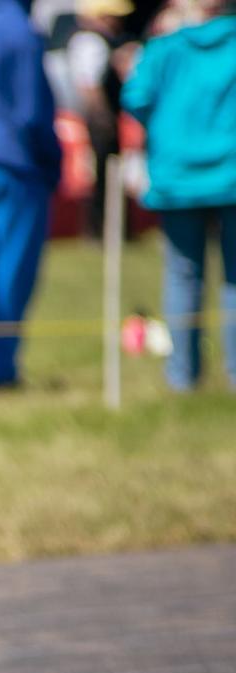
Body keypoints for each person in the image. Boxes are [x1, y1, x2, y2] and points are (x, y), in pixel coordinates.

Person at [121, 0, 236, 390]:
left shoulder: (164, 48)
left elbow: (135, 97)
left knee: (183, 277)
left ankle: (182, 376)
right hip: (229, 175)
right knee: (233, 279)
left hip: (178, 177)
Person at [0, 0, 64, 387]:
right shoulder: (21, 31)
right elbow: (31, 111)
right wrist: (53, 161)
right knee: (15, 270)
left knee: (1, 268)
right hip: (20, 165)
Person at [67, 0, 133, 239]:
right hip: (100, 120)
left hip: (98, 118)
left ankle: (105, 228)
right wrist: (103, 117)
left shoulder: (90, 39)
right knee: (104, 175)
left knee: (104, 174)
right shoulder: (92, 41)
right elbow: (90, 86)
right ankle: (102, 229)